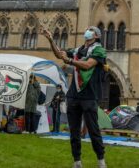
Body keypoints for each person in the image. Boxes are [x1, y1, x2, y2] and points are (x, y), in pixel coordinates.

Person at [42, 26, 107, 168]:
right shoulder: (78, 50)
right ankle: (77, 161)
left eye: (91, 30)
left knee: (93, 130)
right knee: (74, 131)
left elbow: (88, 65)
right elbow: (60, 54)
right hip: (73, 96)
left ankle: (101, 160)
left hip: (90, 96)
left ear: (96, 36)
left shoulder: (99, 50)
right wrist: (51, 39)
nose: (87, 31)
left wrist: (70, 61)